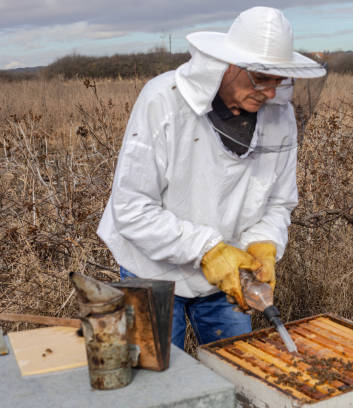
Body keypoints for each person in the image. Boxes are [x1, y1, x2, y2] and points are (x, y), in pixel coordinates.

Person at [97, 7, 326, 349]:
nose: (270, 92)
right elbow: (132, 209)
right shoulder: (163, 100)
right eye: (261, 78)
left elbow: (278, 200)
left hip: (231, 274)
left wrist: (263, 244)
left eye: (278, 80)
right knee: (156, 384)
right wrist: (208, 251)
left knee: (237, 374)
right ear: (228, 65)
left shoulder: (280, 116)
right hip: (152, 274)